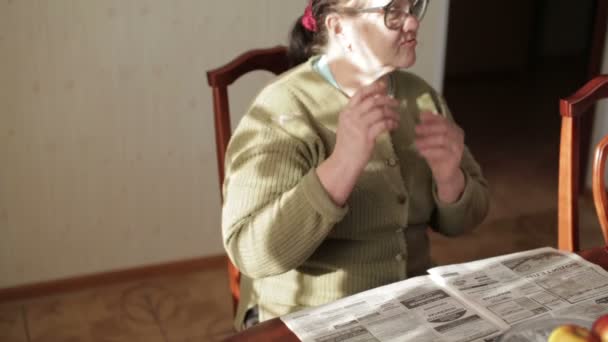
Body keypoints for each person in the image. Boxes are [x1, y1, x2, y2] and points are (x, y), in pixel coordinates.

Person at [221, 0, 489, 330]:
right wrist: (343, 163)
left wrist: (451, 179)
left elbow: (469, 218)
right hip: (309, 319)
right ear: (338, 27)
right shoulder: (282, 110)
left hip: (410, 307)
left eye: (413, 7)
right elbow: (250, 252)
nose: (413, 24)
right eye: (393, 11)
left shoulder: (421, 97)